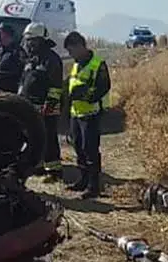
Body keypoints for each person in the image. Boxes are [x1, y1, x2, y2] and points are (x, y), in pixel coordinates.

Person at [63, 30, 111, 198]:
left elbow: (103, 87)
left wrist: (84, 95)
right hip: (76, 113)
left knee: (90, 149)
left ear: (80, 46)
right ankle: (82, 180)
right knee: (78, 147)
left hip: (91, 113)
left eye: (71, 50)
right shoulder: (76, 64)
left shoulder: (98, 64)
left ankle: (93, 186)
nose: (70, 54)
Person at [18, 22, 64, 179]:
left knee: (49, 136)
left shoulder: (52, 59)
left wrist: (49, 105)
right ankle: (38, 165)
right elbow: (25, 81)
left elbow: (56, 85)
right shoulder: (32, 58)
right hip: (30, 105)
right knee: (33, 136)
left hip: (48, 105)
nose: (29, 44)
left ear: (41, 40)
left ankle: (54, 170)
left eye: (32, 41)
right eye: (28, 41)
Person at [0, 22, 25, 94]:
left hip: (10, 91)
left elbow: (19, 72)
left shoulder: (17, 52)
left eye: (2, 34)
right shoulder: (1, 51)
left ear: (9, 36)